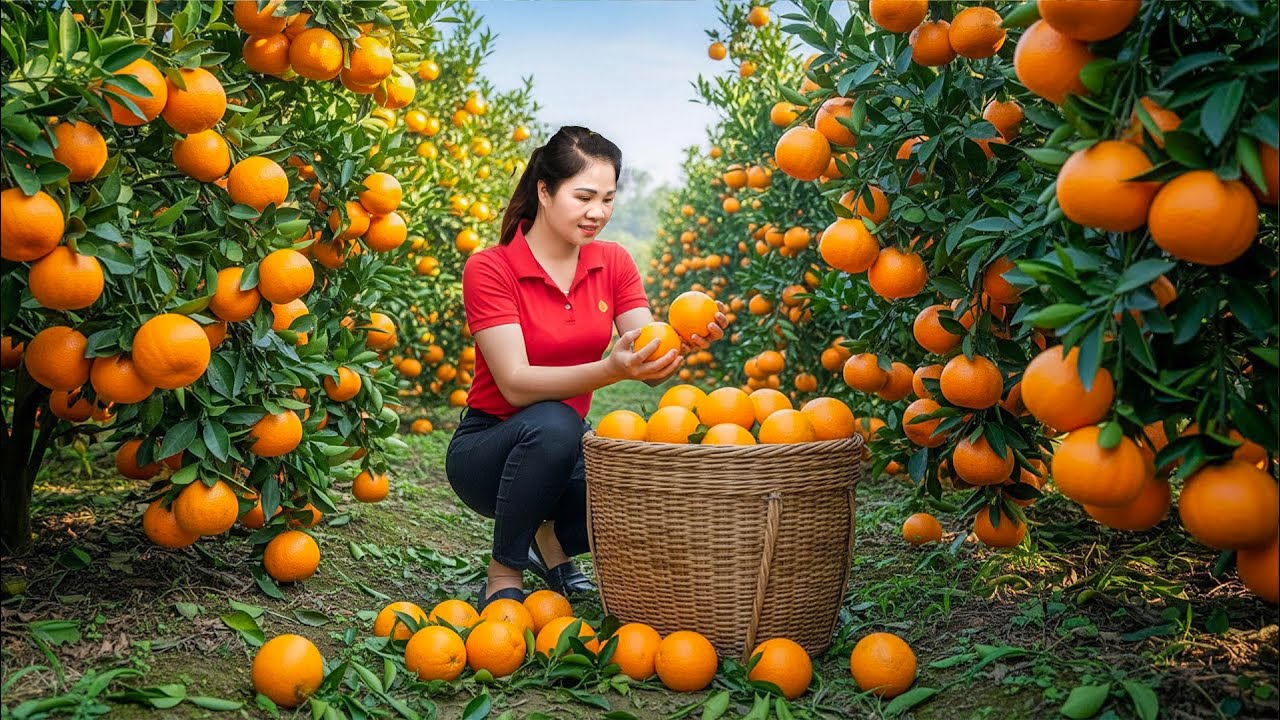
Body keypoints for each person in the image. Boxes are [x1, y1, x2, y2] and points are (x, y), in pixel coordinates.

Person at [445, 126, 728, 610]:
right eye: (583, 197)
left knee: (638, 479)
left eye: (608, 199)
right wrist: (610, 370)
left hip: (567, 450)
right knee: (555, 422)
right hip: (489, 450)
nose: (597, 212)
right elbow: (514, 385)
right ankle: (503, 569)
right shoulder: (491, 268)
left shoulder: (613, 262)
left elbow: (644, 352)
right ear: (544, 190)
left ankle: (550, 542)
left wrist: (681, 340)